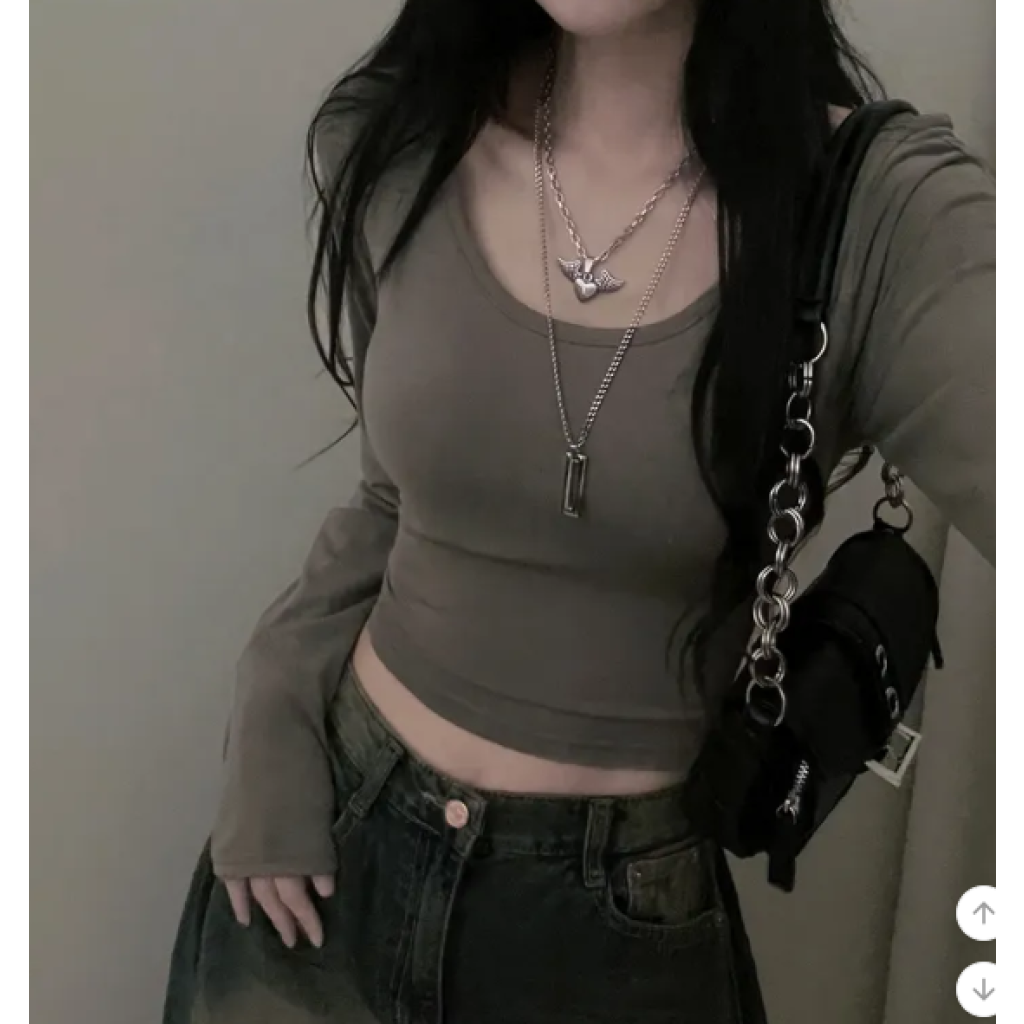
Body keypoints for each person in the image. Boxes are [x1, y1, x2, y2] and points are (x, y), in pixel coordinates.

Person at [162, 1, 995, 1021]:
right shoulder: (407, 139)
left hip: (614, 942)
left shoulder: (879, 220)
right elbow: (392, 497)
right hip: (326, 860)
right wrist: (273, 710)